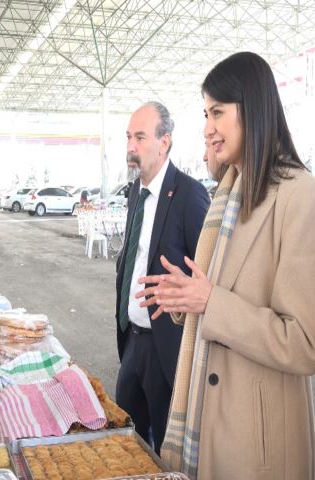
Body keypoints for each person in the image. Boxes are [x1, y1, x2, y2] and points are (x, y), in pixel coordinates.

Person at [138, 52, 315, 479]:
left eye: (217, 112)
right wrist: (185, 296)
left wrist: (209, 302)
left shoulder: (298, 196)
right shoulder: (225, 196)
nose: (208, 129)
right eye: (205, 113)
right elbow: (213, 297)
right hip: (206, 418)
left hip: (256, 437)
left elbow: (304, 341)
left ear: (252, 108)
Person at [115, 101, 210, 454]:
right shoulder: (135, 194)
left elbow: (206, 272)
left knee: (165, 453)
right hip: (132, 340)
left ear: (164, 142)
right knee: (125, 440)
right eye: (128, 137)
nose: (130, 146)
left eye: (140, 137)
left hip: (165, 346)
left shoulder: (188, 194)